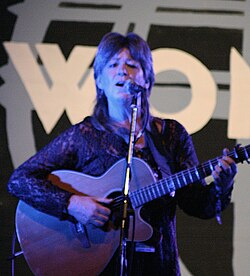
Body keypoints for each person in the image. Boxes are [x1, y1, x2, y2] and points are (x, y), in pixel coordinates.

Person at [8, 32, 237, 275]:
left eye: (131, 65)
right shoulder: (83, 136)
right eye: (113, 65)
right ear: (99, 81)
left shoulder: (171, 135)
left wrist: (223, 186)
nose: (122, 71)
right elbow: (20, 180)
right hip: (98, 264)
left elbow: (198, 205)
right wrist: (73, 204)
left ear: (147, 80)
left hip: (158, 266)